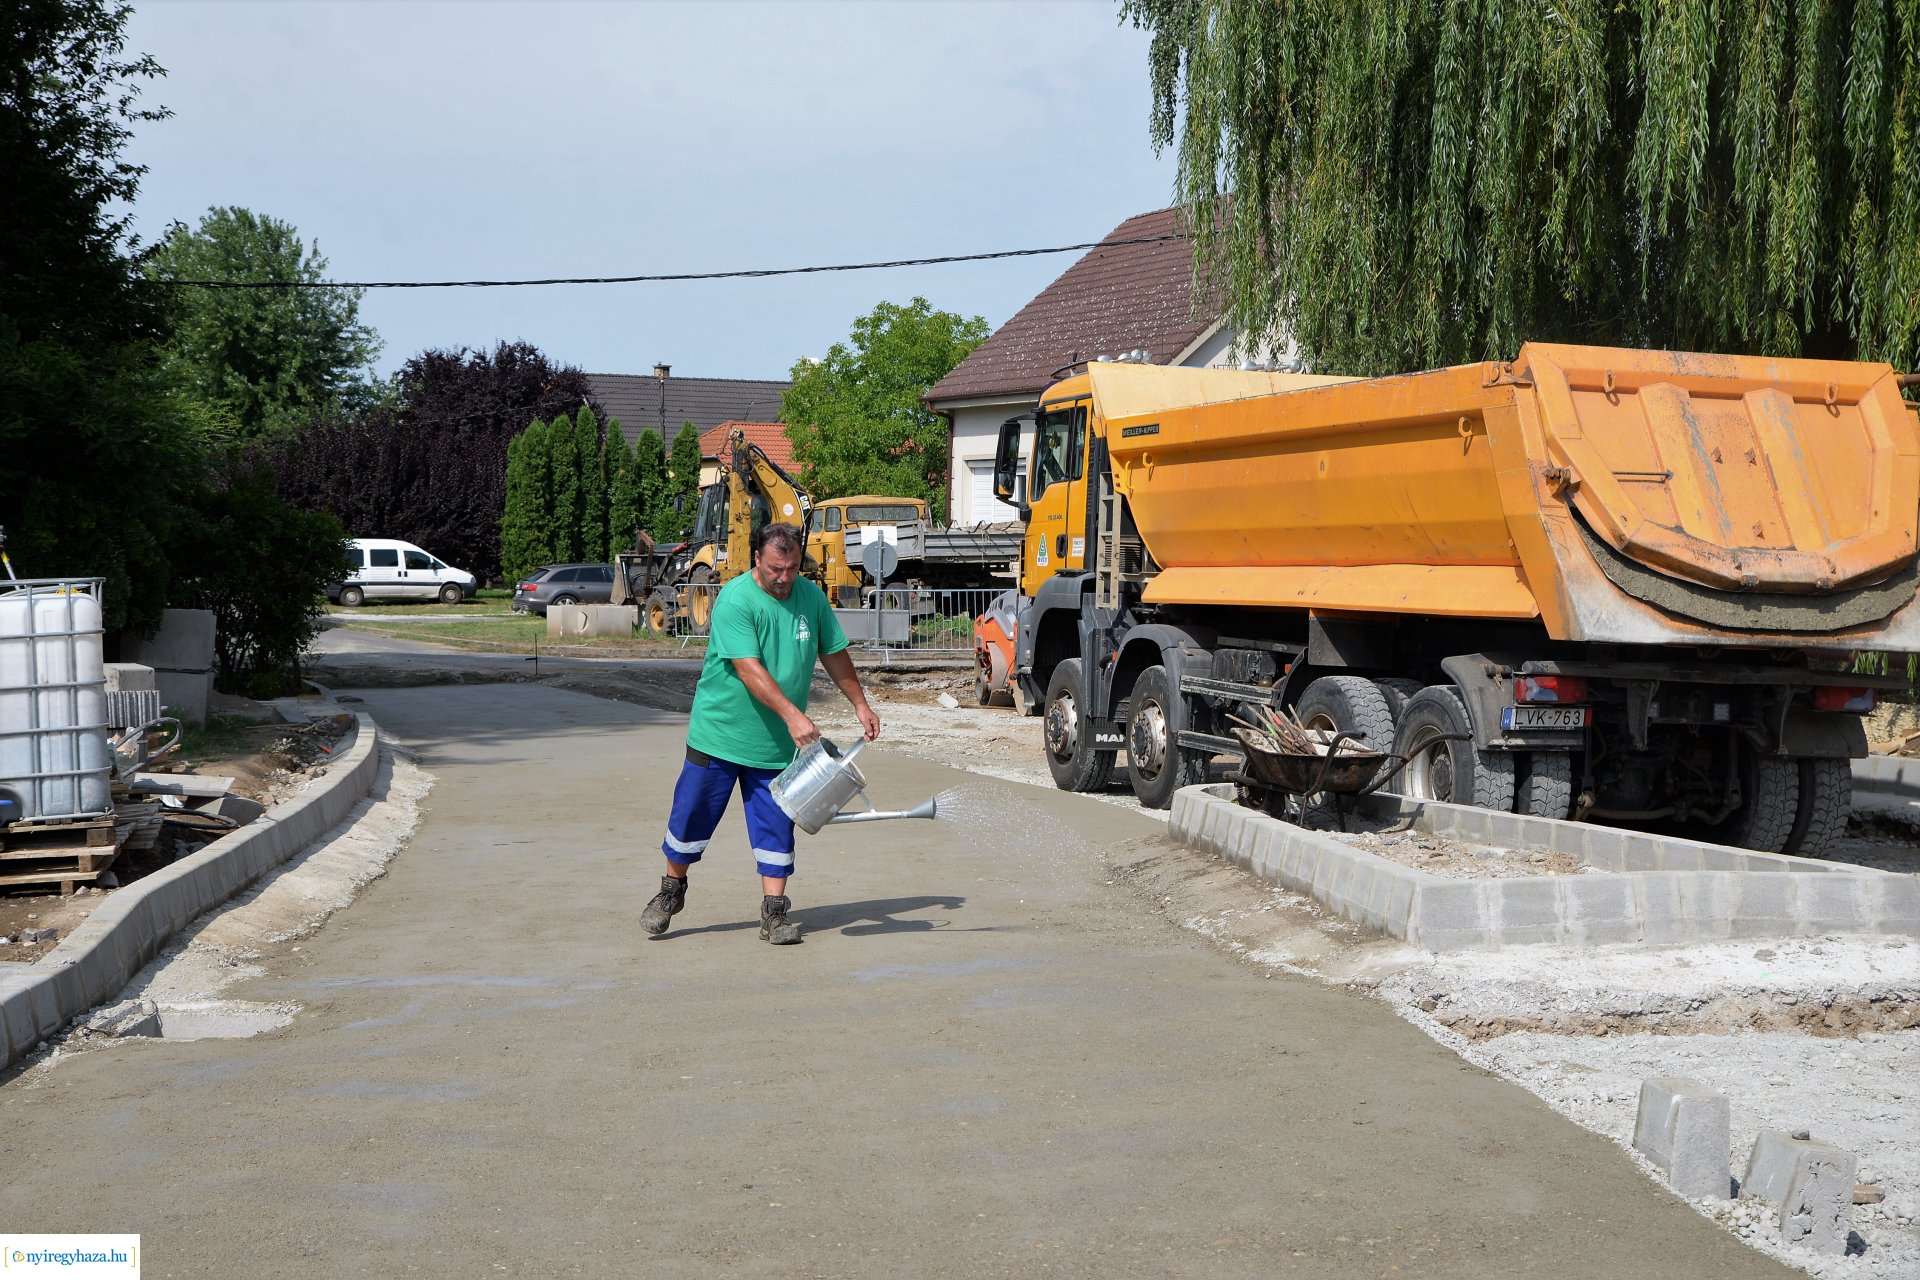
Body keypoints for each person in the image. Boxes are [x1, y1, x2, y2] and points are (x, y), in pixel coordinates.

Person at [643, 521, 881, 944]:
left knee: (776, 824)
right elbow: (748, 669)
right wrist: (793, 715)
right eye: (775, 569)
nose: (784, 577)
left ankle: (774, 912)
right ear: (757, 559)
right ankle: (671, 889)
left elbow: (834, 653)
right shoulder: (736, 599)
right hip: (719, 735)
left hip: (774, 745)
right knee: (692, 813)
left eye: (792, 568)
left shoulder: (811, 598)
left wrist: (860, 704)